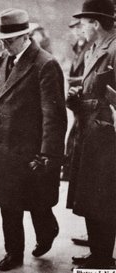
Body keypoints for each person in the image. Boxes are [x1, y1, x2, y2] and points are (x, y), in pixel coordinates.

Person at [0, 8, 67, 271]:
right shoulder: (4, 59)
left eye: (9, 40)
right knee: (8, 205)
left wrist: (48, 156)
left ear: (26, 37)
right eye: (2, 40)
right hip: (5, 148)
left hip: (31, 152)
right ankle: (14, 253)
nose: (4, 45)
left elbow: (53, 115)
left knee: (36, 204)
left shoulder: (45, 64)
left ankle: (48, 230)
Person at [66, 0, 116, 269]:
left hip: (107, 136)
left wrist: (105, 99)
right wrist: (78, 97)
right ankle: (97, 253)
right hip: (89, 131)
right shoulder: (93, 50)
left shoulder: (115, 49)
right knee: (89, 196)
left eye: (84, 24)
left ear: (95, 24)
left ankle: (104, 258)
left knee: (104, 199)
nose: (81, 30)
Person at [64, 18, 92, 247]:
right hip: (83, 115)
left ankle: (99, 240)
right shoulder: (83, 47)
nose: (76, 31)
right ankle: (95, 235)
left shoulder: (97, 47)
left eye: (79, 26)